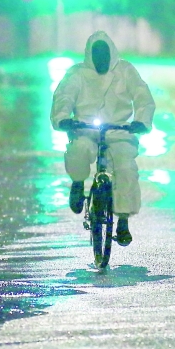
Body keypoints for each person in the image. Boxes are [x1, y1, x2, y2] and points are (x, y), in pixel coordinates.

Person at [50, 31, 155, 246]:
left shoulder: (125, 71)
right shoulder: (77, 74)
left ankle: (123, 220)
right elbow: (64, 96)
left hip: (119, 132)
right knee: (77, 151)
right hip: (86, 130)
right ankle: (78, 183)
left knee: (126, 168)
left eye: (104, 53)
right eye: (96, 53)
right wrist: (63, 118)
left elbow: (142, 95)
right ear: (89, 55)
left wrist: (141, 120)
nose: (100, 58)